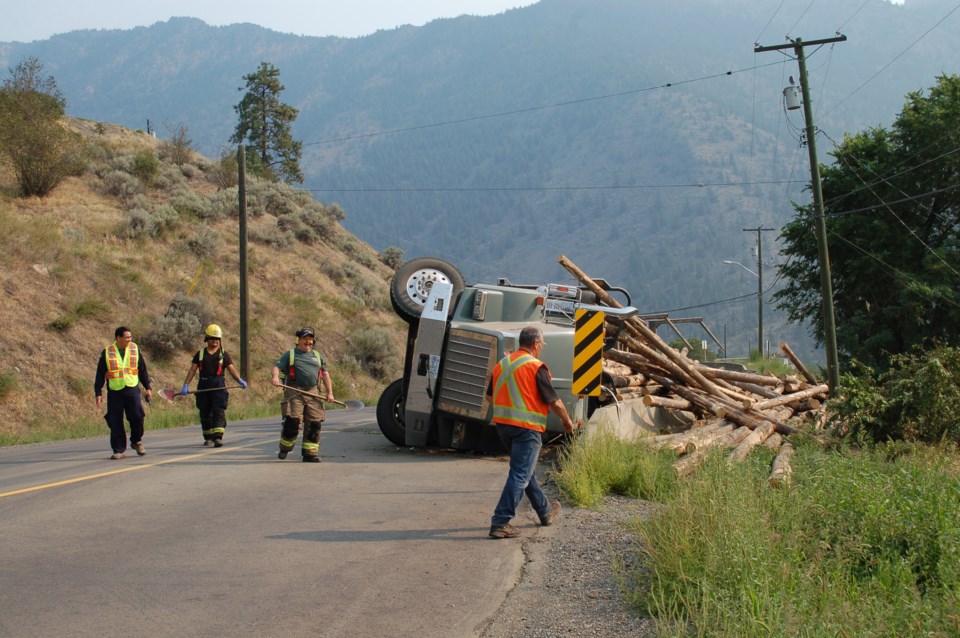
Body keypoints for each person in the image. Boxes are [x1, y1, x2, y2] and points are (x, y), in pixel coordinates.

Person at [488, 326, 576, 539]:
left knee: (525, 472)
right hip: (526, 429)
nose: (541, 349)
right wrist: (567, 422)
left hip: (504, 427)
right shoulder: (536, 367)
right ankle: (500, 521)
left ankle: (545, 512)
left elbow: (489, 397)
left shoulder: (503, 364)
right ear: (536, 344)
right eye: (542, 345)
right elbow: (554, 402)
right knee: (520, 474)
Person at [270, 327, 335, 462]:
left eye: (310, 339)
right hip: (294, 392)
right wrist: (275, 377)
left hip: (313, 393)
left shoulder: (318, 356)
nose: (308, 342)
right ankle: (285, 448)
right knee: (293, 423)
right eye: (305, 339)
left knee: (314, 424)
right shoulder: (290, 354)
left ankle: (310, 453)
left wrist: (330, 393)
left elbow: (326, 375)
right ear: (298, 340)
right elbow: (277, 367)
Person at [179, 324, 248, 447]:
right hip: (203, 386)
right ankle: (208, 437)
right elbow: (192, 371)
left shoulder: (224, 354)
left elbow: (232, 370)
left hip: (219, 386)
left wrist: (239, 381)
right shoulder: (200, 354)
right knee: (205, 412)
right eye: (212, 338)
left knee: (218, 411)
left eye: (217, 339)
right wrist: (185, 385)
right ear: (206, 339)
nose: (215, 341)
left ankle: (218, 437)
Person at [94, 326, 153, 460]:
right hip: (115, 391)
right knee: (115, 421)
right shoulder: (107, 352)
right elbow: (100, 373)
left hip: (132, 388)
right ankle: (118, 449)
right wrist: (98, 392)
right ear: (118, 338)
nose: (129, 340)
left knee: (137, 416)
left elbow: (142, 369)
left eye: (130, 337)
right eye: (126, 337)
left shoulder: (134, 349)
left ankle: (136, 441)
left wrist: (148, 387)